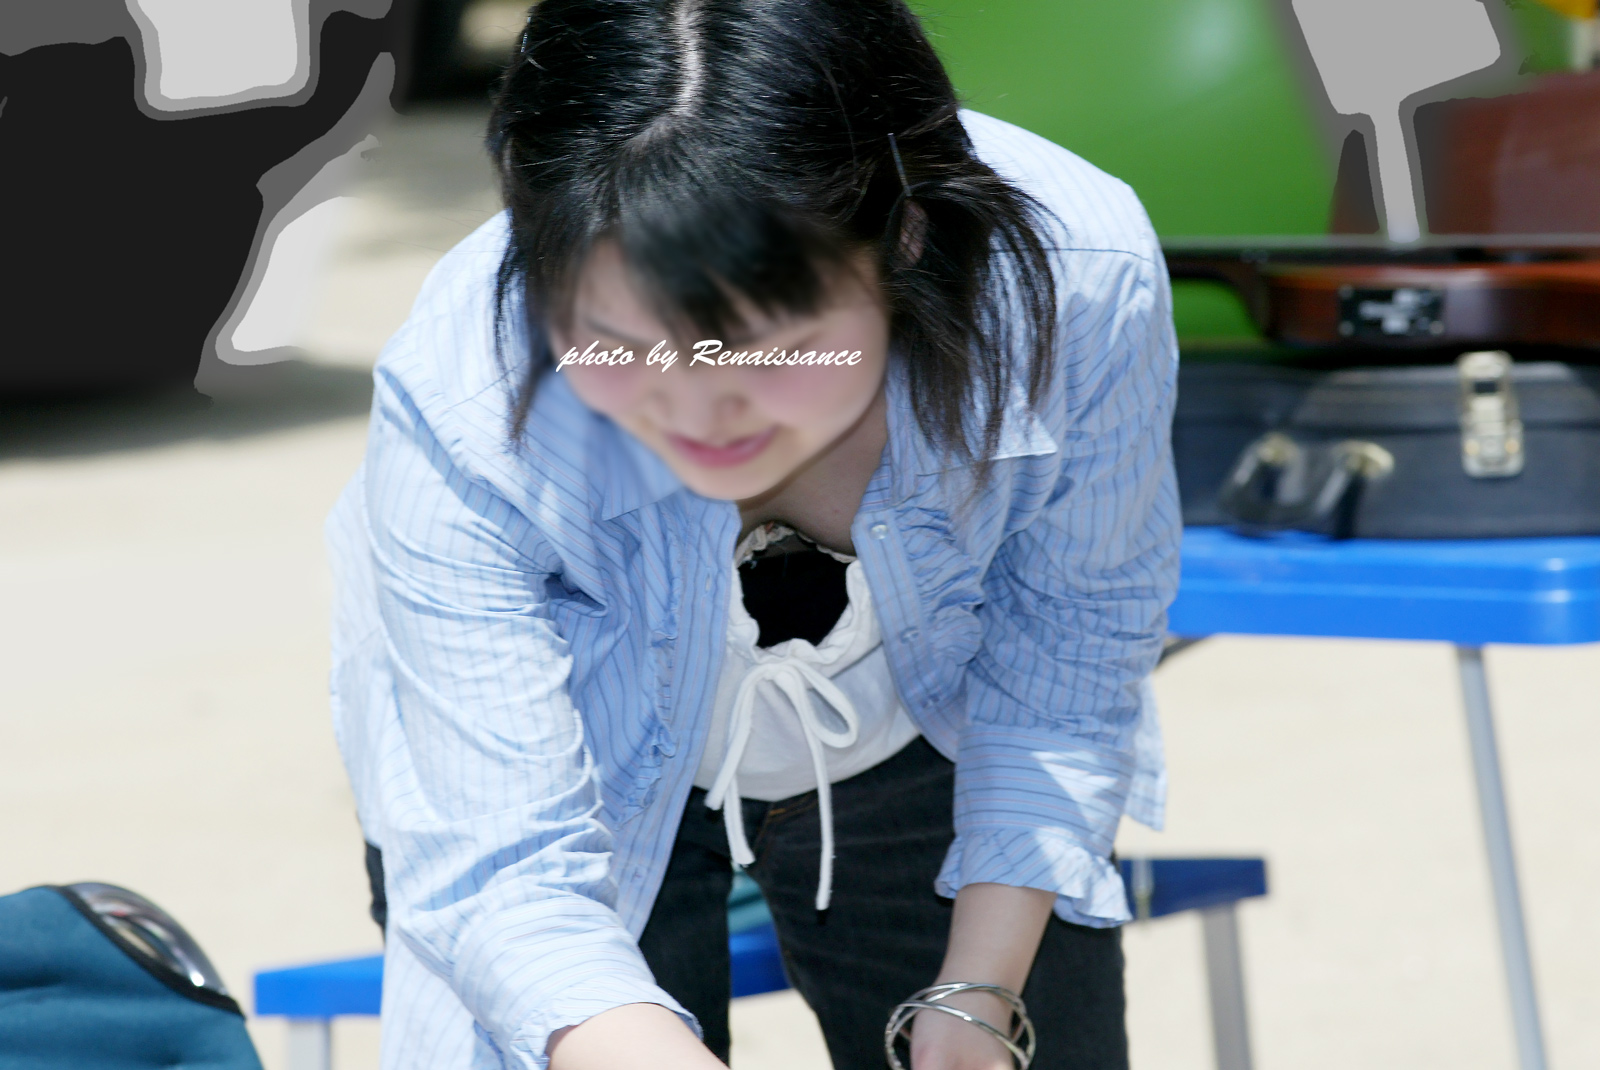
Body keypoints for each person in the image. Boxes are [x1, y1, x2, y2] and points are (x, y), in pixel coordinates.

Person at [325, 1, 1181, 1068]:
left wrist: (976, 997)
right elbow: (507, 872)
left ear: (903, 236)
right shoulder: (466, 392)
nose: (699, 405)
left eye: (766, 343)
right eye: (619, 341)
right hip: (569, 761)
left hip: (930, 731)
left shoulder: (1071, 276)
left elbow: (1071, 644)